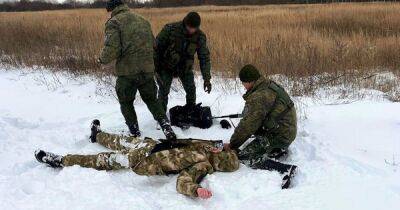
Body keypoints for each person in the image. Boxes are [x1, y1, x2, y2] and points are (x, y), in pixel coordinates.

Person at [35, 120, 239, 199]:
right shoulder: (206, 147)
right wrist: (221, 144)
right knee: (119, 139)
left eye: (219, 159)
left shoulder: (202, 166)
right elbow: (192, 140)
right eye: (219, 154)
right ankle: (96, 135)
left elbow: (183, 182)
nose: (216, 154)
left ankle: (61, 160)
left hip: (142, 162)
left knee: (101, 160)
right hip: (150, 144)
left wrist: (196, 190)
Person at [97, 0, 176, 140]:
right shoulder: (143, 20)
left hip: (127, 72)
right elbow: (153, 44)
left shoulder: (114, 22)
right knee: (152, 99)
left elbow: (112, 49)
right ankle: (165, 125)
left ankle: (134, 132)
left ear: (112, 8)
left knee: (126, 102)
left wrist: (101, 59)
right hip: (147, 70)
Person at [224, 64, 298, 189]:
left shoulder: (259, 96)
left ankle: (286, 169)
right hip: (285, 129)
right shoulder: (267, 84)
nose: (243, 86)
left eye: (243, 83)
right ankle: (276, 150)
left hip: (281, 134)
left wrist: (232, 145)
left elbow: (248, 126)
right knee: (253, 136)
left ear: (249, 81)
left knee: (246, 156)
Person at [154, 11, 212, 112]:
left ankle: (190, 111)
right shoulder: (170, 29)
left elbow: (204, 58)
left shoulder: (200, 36)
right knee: (163, 91)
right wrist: (156, 69)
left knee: (191, 90)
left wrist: (207, 79)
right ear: (185, 23)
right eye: (190, 27)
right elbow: (156, 48)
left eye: (195, 28)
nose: (192, 30)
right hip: (166, 66)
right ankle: (161, 117)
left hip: (185, 68)